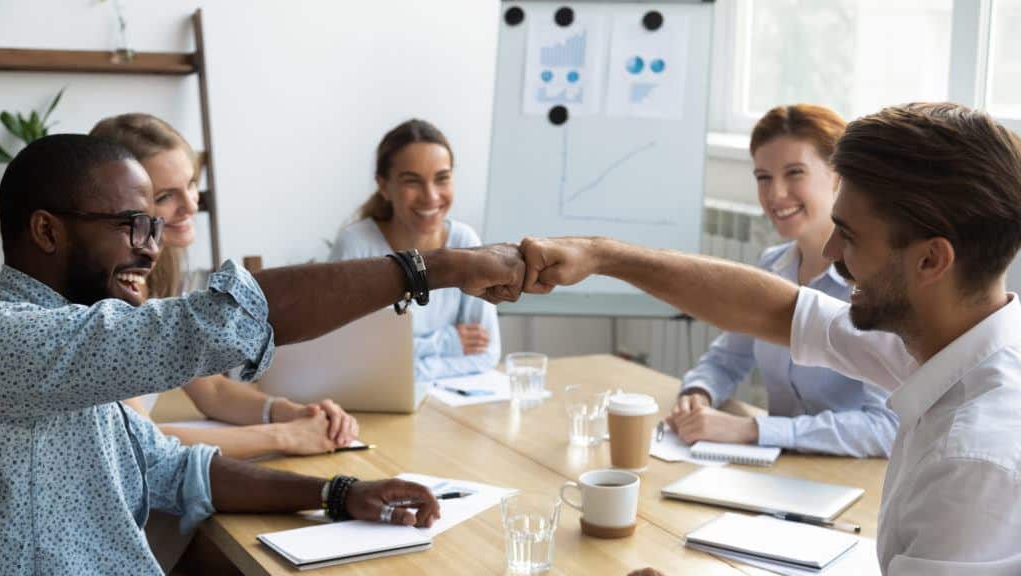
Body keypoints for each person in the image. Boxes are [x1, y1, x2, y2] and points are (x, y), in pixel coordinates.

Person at [521, 103, 1021, 574]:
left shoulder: (972, 459)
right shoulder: (950, 340)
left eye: (850, 235)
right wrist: (603, 257)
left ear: (931, 261)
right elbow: (775, 310)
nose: (832, 250)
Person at [0, 133, 524, 575]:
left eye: (153, 227)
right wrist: (432, 268)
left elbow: (178, 470)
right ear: (47, 231)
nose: (151, 248)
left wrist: (340, 494)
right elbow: (218, 322)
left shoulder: (72, 353)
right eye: (133, 225)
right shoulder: (15, 339)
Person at [91, 113, 356, 460]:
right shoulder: (100, 298)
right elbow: (137, 441)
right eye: (166, 195)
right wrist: (285, 437)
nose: (190, 204)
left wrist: (289, 412)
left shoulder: (158, 273)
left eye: (190, 183)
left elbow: (212, 389)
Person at [668, 105, 896, 458]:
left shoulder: (874, 285)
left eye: (794, 173)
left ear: (838, 176)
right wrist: (698, 393)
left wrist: (751, 428)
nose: (775, 194)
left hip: (849, 479)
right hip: (778, 472)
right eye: (763, 177)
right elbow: (728, 358)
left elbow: (885, 428)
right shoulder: (771, 266)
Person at [330, 119, 500, 382]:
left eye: (442, 179)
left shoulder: (465, 241)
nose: (431, 196)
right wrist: (446, 343)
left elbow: (486, 352)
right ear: (384, 186)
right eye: (413, 182)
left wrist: (406, 365)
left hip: (449, 406)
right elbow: (345, 356)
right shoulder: (355, 245)